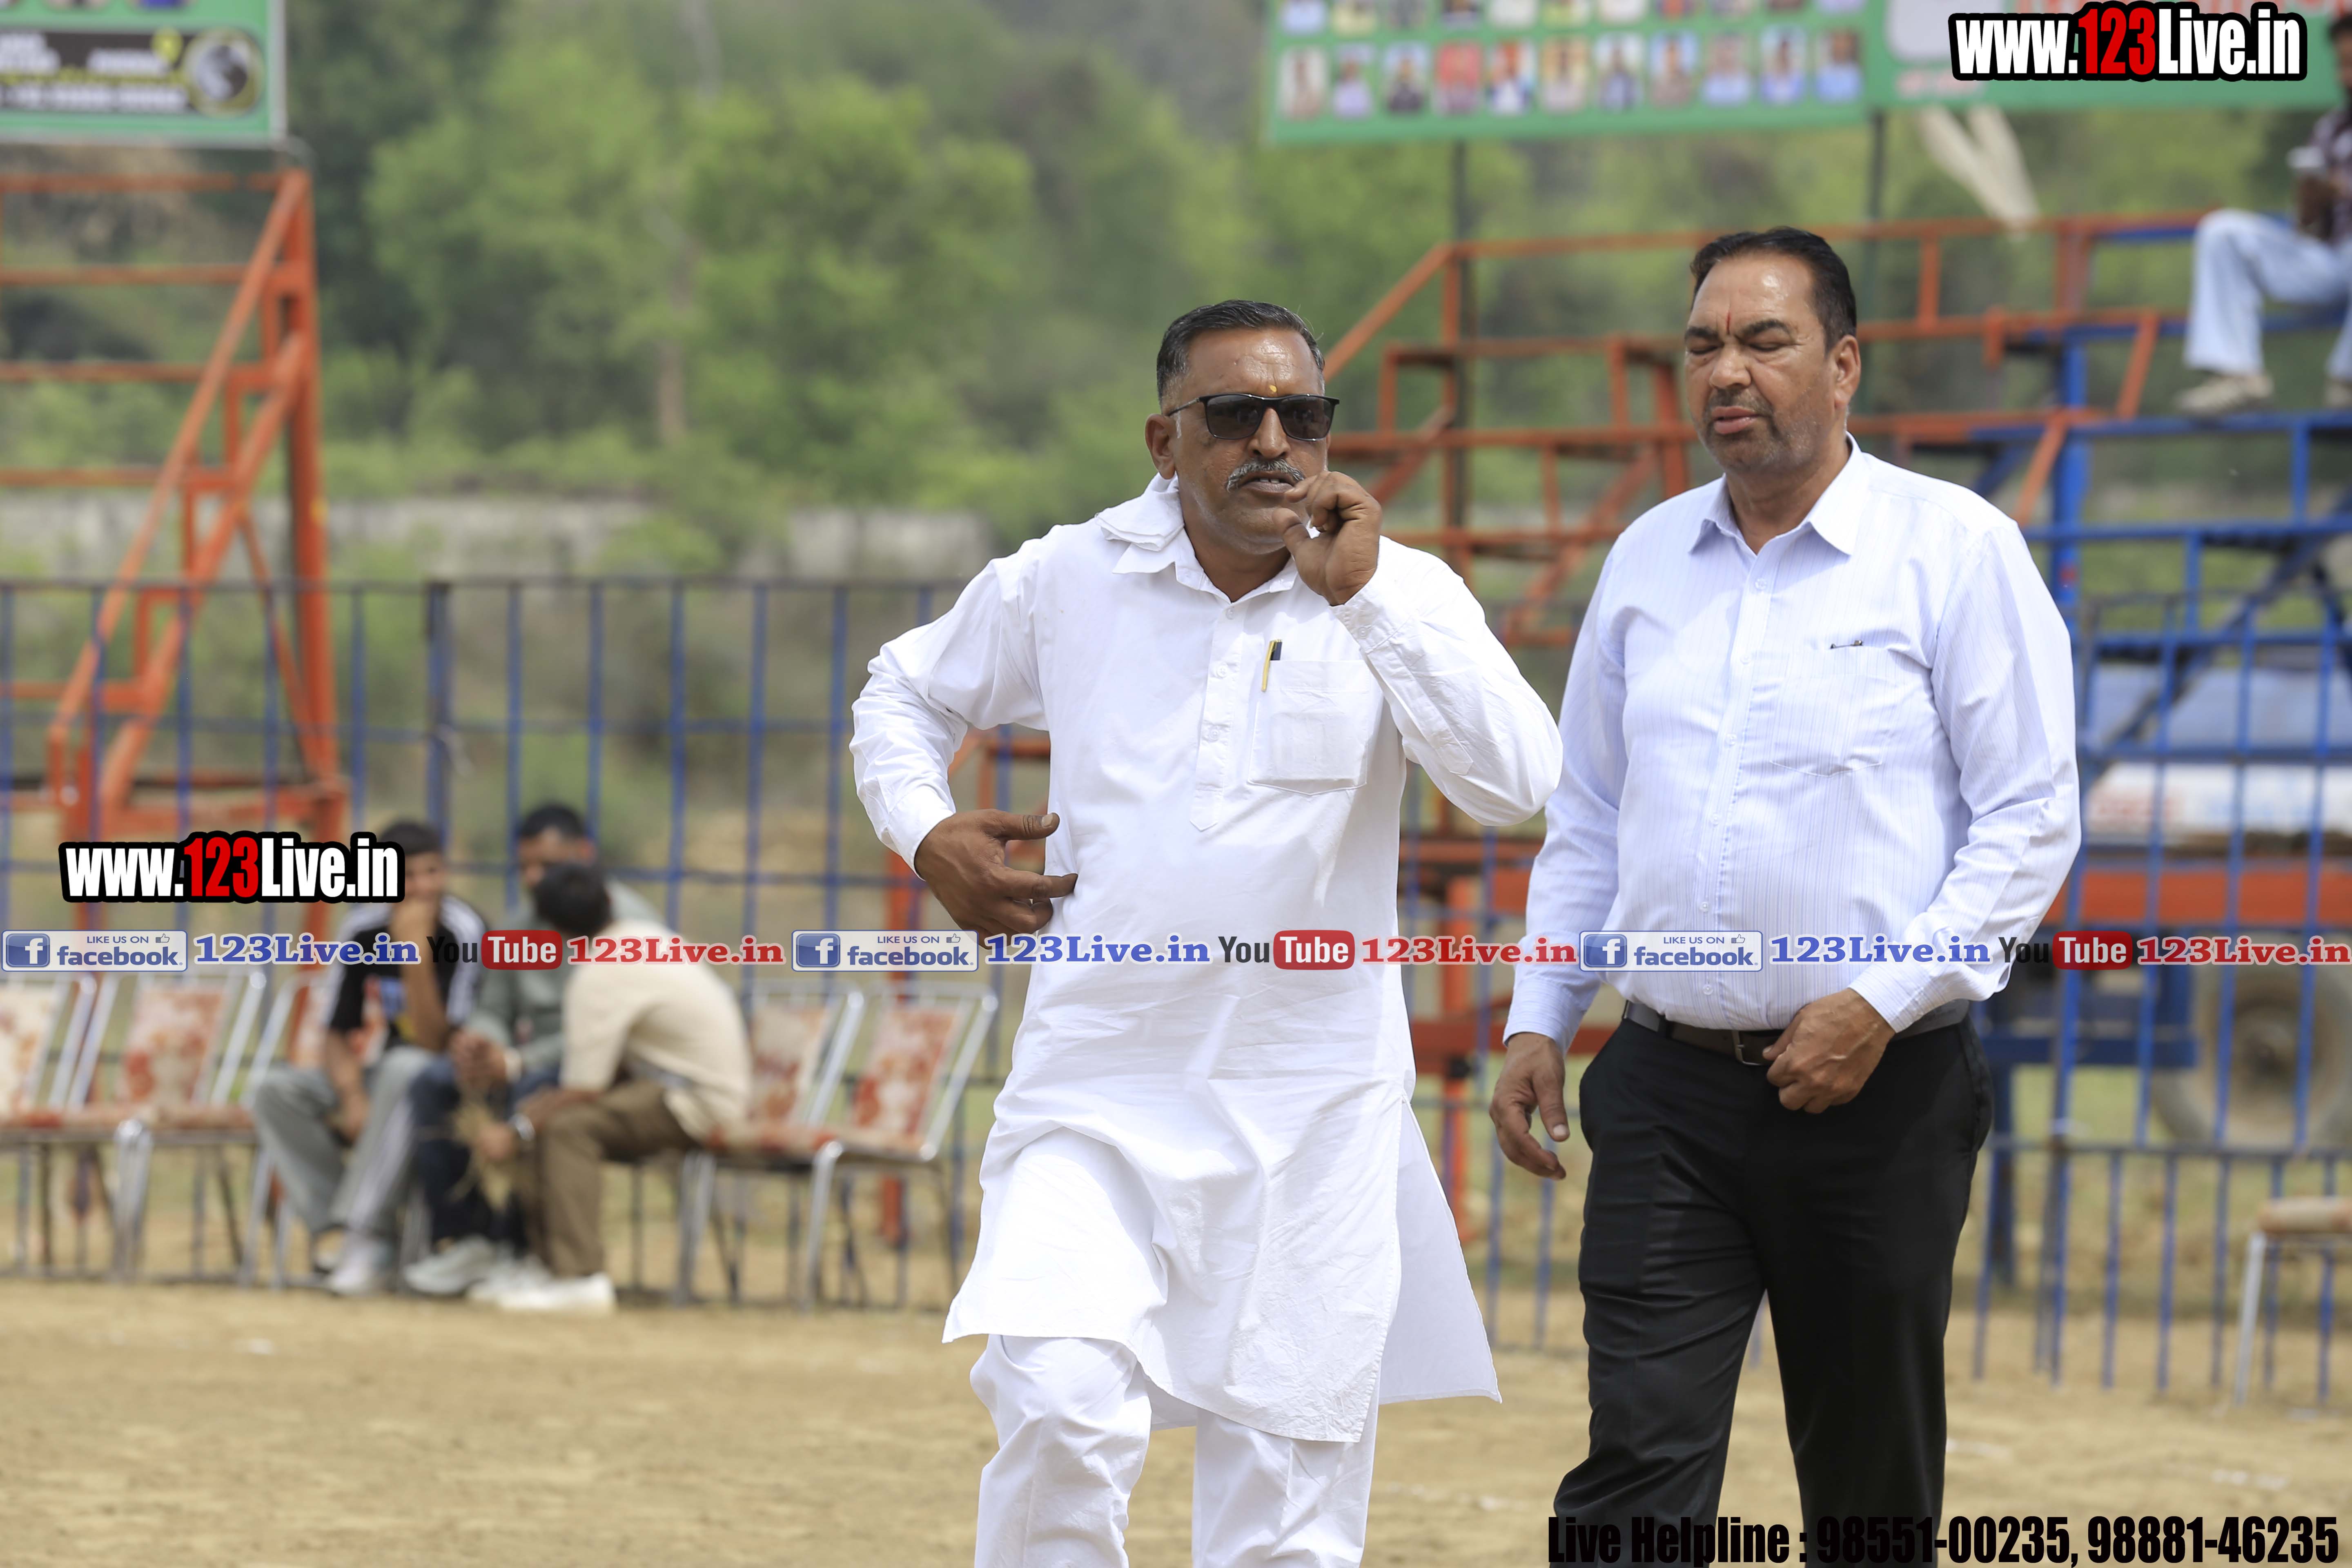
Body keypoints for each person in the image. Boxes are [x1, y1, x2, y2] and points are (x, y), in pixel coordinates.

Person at [852, 299, 1561, 1568]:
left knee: (1286, 1515)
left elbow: (1518, 784)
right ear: (1164, 438)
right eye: (1236, 415)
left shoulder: (1400, 589)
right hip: (1097, 1094)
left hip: (1313, 1116)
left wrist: (1367, 604)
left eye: (1305, 415)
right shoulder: (1071, 578)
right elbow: (902, 693)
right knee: (1058, 1407)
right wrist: (928, 831)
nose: (1275, 443)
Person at [1488, 228, 2078, 1549]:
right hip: (1666, 1087)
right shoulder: (1646, 560)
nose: (1727, 372)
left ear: (1845, 364)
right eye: (1703, 345)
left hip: (1883, 1092)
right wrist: (1540, 1015)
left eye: (1766, 342)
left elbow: (2031, 818)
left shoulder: (1954, 549)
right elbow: (1589, 817)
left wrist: (1877, 1005)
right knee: (1637, 1454)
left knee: (1868, 1473)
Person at [398, 803, 662, 1298]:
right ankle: (466, 1241)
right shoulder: (519, 923)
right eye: (525, 867)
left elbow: (613, 1034)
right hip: (528, 1057)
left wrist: (516, 1062)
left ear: (585, 856)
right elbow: (494, 1006)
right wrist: (481, 1044)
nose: (535, 878)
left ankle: (518, 1247)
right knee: (433, 1081)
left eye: (549, 865)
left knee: (534, 1093)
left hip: (607, 1066)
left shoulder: (628, 926)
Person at [462, 864, 749, 1315]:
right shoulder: (648, 937)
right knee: (546, 1116)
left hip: (695, 1101)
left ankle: (580, 1277)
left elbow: (584, 1089)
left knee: (566, 1128)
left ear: (552, 928)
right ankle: (549, 1266)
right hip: (692, 1089)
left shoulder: (599, 973)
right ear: (611, 901)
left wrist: (515, 1130)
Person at [251, 818, 485, 1296]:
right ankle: (335, 1228)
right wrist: (353, 1095)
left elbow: (438, 1044)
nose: (420, 888)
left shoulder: (464, 931)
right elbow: (337, 1030)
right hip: (385, 1074)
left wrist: (415, 961)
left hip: (444, 1076)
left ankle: (367, 1234)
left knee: (406, 1067)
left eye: (431, 873)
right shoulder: (363, 928)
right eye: (406, 876)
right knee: (274, 1091)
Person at [2178, 14, 2352, 416]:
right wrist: (2311, 203)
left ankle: (2347, 381)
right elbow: (2309, 230)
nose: (2346, 76)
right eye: (2342, 64)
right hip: (2331, 258)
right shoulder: (2332, 129)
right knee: (2222, 232)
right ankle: (2237, 374)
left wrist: (2344, 190)